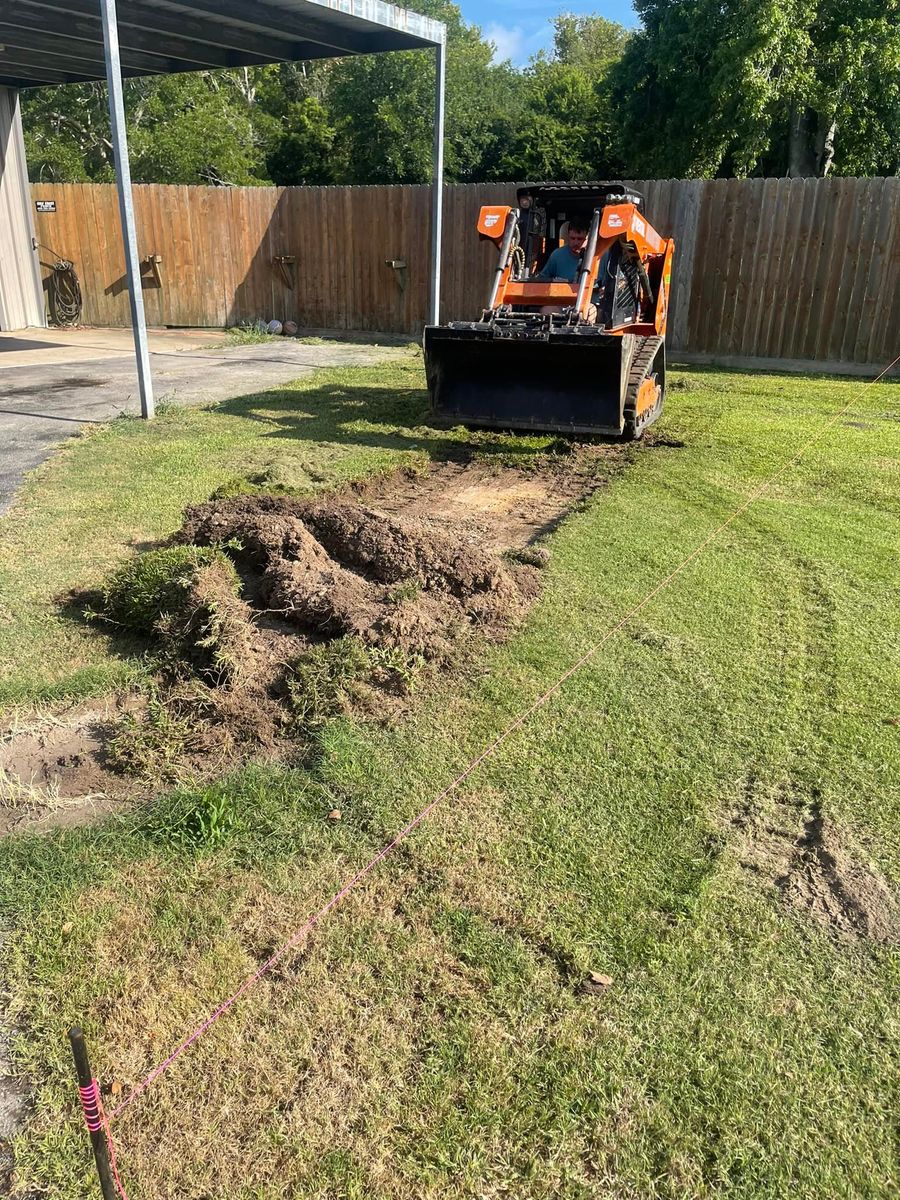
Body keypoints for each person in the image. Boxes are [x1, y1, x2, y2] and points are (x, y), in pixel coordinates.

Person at [536, 216, 603, 321]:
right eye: (572, 238)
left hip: (589, 304)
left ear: (589, 238)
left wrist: (604, 289)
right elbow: (542, 280)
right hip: (562, 305)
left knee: (587, 314)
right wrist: (553, 283)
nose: (575, 243)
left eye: (580, 239)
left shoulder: (600, 257)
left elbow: (620, 282)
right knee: (546, 311)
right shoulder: (557, 256)